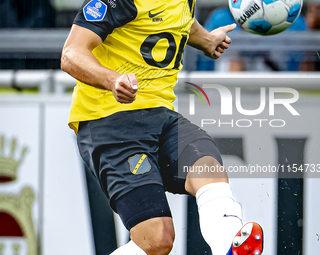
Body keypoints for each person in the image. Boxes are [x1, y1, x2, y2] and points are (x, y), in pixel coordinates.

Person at [61, 0, 264, 254]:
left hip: (161, 116)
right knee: (157, 239)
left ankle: (229, 245)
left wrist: (207, 39)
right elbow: (71, 53)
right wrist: (112, 80)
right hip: (108, 120)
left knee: (207, 164)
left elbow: (180, 20)